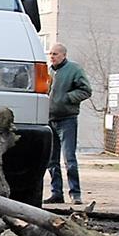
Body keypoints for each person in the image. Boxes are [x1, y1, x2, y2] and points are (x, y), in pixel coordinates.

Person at [45, 43, 91, 204]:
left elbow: (86, 90)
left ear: (64, 55)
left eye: (55, 54)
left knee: (69, 159)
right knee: (52, 160)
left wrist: (68, 99)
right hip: (50, 120)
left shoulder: (74, 70)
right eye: (50, 53)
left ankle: (75, 193)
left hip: (67, 120)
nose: (52, 56)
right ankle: (56, 193)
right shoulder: (48, 71)